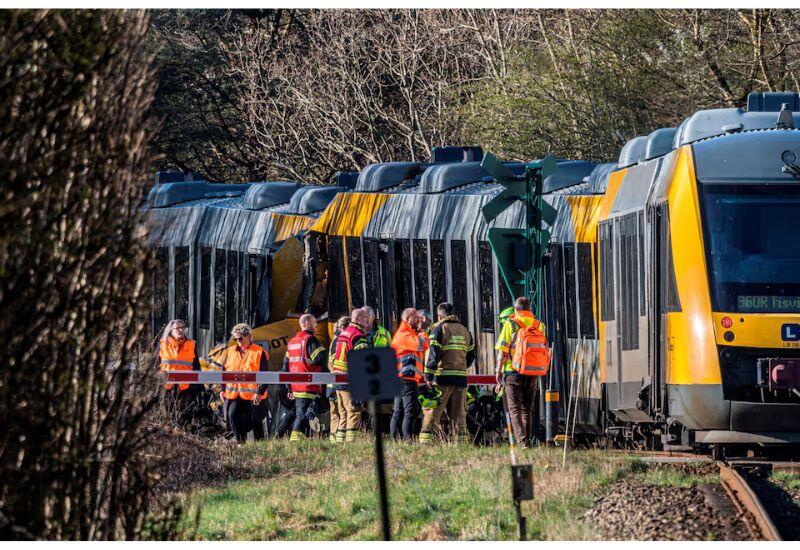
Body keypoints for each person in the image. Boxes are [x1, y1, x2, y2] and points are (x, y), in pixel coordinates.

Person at [494, 296, 548, 449]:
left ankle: (521, 442)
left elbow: (503, 350)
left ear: (516, 309)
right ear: (530, 309)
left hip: (513, 371)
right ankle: (527, 440)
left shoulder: (511, 324)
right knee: (527, 408)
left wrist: (498, 370)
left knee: (515, 408)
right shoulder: (540, 325)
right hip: (533, 372)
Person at [419, 302, 475, 445]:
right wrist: (461, 367)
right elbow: (471, 356)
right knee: (459, 415)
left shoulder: (439, 329)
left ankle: (427, 443)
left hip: (442, 378)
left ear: (439, 315)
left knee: (433, 412)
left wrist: (428, 377)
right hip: (461, 379)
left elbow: (433, 354)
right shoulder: (465, 331)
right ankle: (460, 444)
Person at [283, 314, 328, 442]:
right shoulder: (310, 339)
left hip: (296, 386)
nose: (316, 325)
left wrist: (289, 388)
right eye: (314, 322)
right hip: (309, 385)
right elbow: (318, 358)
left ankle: (303, 441)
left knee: (305, 415)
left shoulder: (292, 342)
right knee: (302, 416)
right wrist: (323, 350)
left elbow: (285, 367)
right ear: (307, 322)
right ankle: (295, 442)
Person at [222, 323, 270, 443]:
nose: (238, 341)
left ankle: (261, 446)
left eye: (240, 338)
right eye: (235, 339)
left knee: (255, 422)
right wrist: (222, 390)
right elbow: (223, 373)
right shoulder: (229, 351)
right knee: (232, 416)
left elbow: (264, 375)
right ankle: (240, 443)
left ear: (248, 336)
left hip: (254, 395)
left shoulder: (259, 352)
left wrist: (259, 392)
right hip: (234, 394)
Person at [330, 308, 370, 442]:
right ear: (358, 319)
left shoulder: (344, 334)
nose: (367, 321)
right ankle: (351, 443)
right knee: (354, 411)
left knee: (343, 413)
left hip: (338, 379)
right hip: (349, 380)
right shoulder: (358, 336)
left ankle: (339, 441)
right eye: (365, 319)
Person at [390, 308, 429, 440]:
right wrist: (423, 331)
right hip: (406, 379)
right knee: (410, 411)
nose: (419, 319)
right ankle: (408, 440)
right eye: (416, 317)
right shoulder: (405, 334)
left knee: (399, 411)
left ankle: (396, 439)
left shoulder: (406, 333)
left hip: (402, 378)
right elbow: (422, 345)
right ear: (408, 318)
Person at [158, 319, 202, 427]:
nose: (181, 330)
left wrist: (198, 385)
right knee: (167, 415)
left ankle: (183, 438)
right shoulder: (162, 344)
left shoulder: (191, 344)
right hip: (167, 386)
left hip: (185, 386)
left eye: (183, 328)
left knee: (184, 416)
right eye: (178, 328)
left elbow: (196, 366)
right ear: (171, 330)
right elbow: (155, 365)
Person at [327, 315, 350, 442]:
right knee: (343, 412)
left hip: (332, 384)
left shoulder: (333, 342)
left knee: (335, 413)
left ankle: (333, 439)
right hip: (339, 383)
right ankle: (340, 439)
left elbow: (329, 363)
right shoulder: (341, 341)